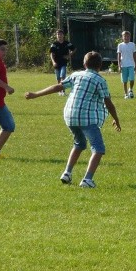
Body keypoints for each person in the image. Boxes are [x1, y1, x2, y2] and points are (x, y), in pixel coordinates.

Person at [25, 51, 121, 188]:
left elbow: (58, 86)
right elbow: (108, 102)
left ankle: (67, 173)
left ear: (84, 64)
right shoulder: (100, 80)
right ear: (100, 65)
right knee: (98, 149)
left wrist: (36, 94)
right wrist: (116, 119)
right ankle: (87, 179)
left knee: (79, 144)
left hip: (70, 116)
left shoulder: (76, 75)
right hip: (87, 118)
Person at [49, 30, 75, 96]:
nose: (59, 36)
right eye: (58, 34)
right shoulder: (54, 44)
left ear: (63, 35)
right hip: (57, 63)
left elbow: (74, 49)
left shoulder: (67, 43)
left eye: (60, 34)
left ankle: (63, 91)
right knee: (58, 78)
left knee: (62, 76)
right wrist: (53, 62)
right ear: (56, 36)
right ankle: (59, 91)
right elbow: (51, 54)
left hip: (63, 62)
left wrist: (69, 55)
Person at [117, 30, 136, 99]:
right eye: (124, 36)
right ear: (122, 37)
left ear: (129, 37)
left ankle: (130, 89)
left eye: (127, 36)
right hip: (123, 65)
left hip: (131, 64)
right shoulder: (120, 45)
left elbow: (134, 55)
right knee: (124, 81)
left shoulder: (132, 44)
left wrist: (135, 64)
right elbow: (119, 56)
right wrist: (119, 65)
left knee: (132, 79)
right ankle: (126, 94)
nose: (126, 37)